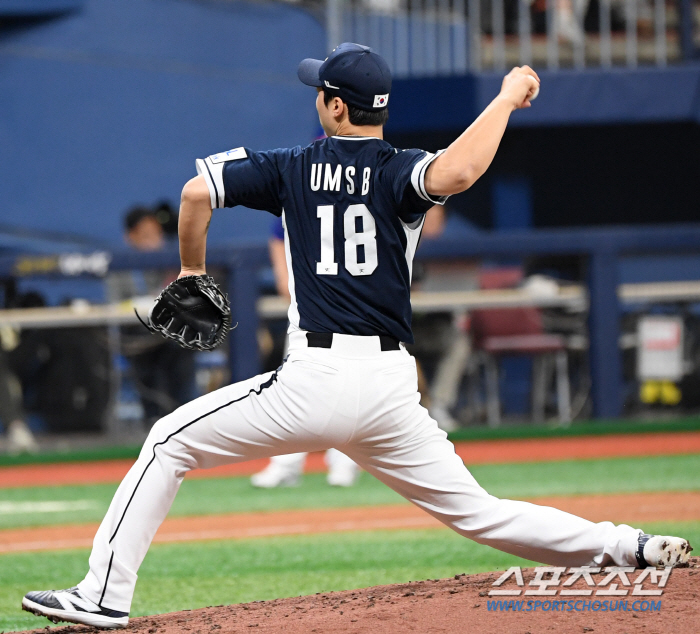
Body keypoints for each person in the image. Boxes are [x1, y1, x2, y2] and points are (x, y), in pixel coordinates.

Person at [22, 43, 691, 629]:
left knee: (167, 442)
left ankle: (103, 596)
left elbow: (196, 192)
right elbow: (457, 173)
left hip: (314, 380)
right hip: (390, 390)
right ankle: (629, 546)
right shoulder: (399, 170)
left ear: (336, 109)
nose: (317, 98)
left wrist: (191, 269)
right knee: (479, 512)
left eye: (323, 91)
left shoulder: (288, 166)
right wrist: (507, 99)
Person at [251, 217, 360, 487]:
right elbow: (279, 237)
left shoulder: (362, 189)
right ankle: (287, 464)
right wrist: (292, 285)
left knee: (348, 387)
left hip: (354, 308)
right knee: (295, 387)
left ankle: (345, 461)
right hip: (307, 311)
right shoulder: (298, 192)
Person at [107, 207, 196, 426]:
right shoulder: (119, 265)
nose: (153, 241)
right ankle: (153, 417)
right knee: (149, 358)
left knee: (182, 345)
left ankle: (184, 415)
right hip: (136, 335)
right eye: (146, 235)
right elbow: (115, 305)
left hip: (170, 332)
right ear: (131, 237)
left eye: (156, 234)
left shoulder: (172, 261)